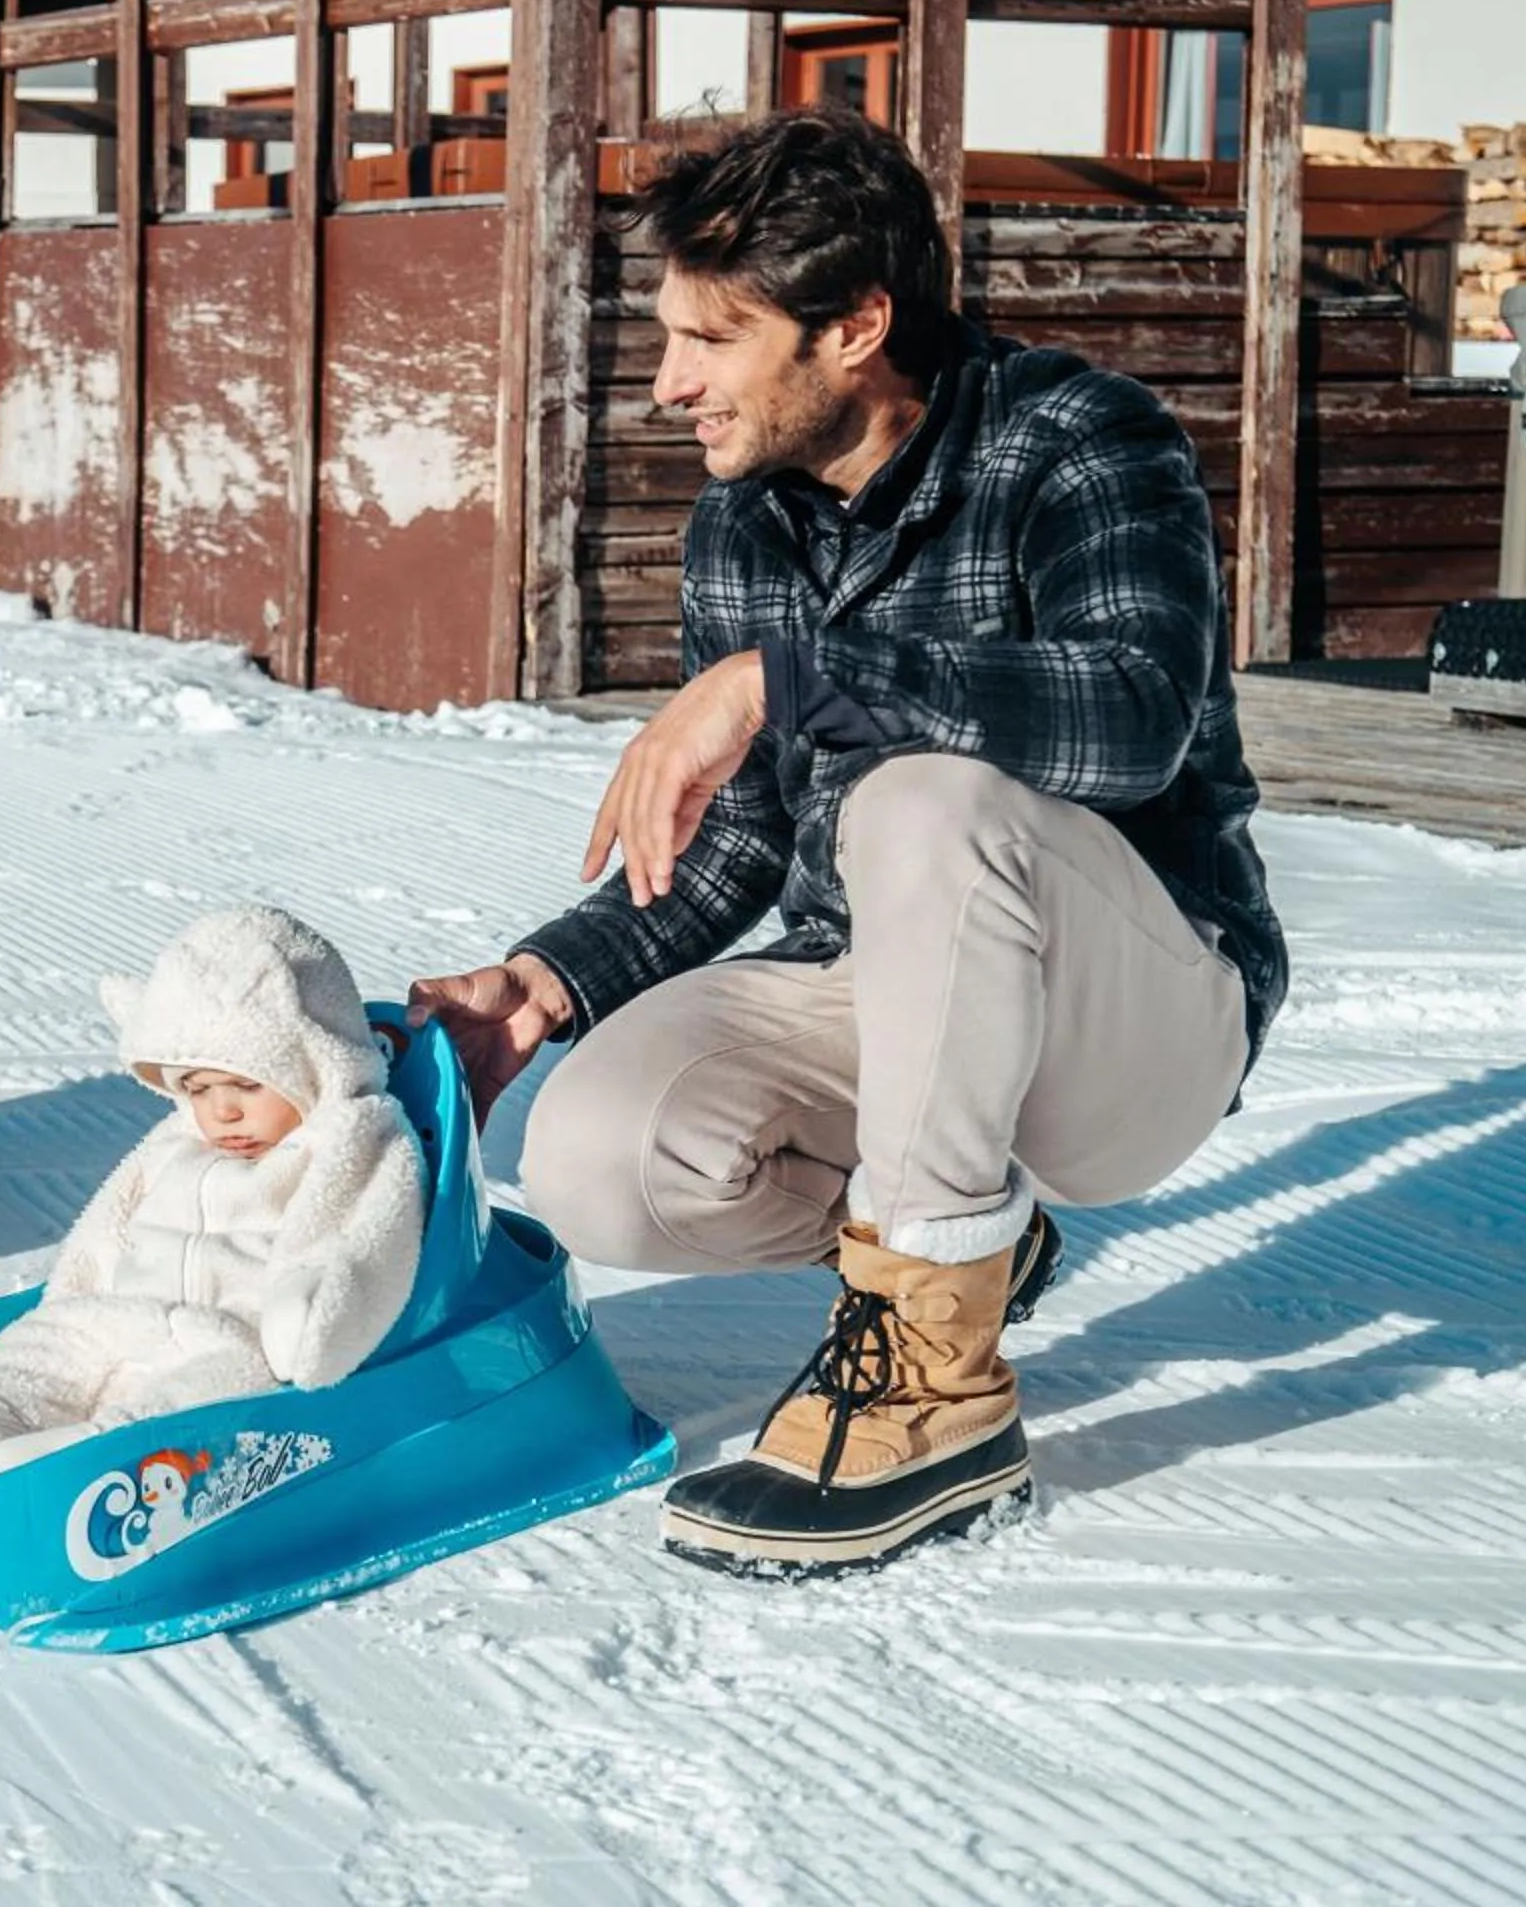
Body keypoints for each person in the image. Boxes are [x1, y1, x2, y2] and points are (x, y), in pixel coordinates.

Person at [408, 107, 1288, 1576]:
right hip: (893, 986)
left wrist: (797, 680)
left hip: (1134, 1019)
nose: (668, 385)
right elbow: (743, 845)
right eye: (668, 337)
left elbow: (1135, 717)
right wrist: (545, 984)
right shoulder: (745, 523)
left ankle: (938, 1389)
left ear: (857, 327)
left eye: (711, 340)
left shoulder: (1080, 442)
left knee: (920, 799)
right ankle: (965, 1244)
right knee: (599, 1155)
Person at [0, 907, 428, 1498]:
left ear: (316, 1060)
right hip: (120, 1315)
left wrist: (309, 1315)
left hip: (229, 1340)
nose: (223, 1111)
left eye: (248, 1084)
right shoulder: (178, 1140)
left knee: (205, 1393)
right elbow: (108, 1224)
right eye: (197, 1088)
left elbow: (367, 1238)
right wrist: (73, 1299)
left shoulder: (348, 1139)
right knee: (36, 1354)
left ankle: (80, 1462)